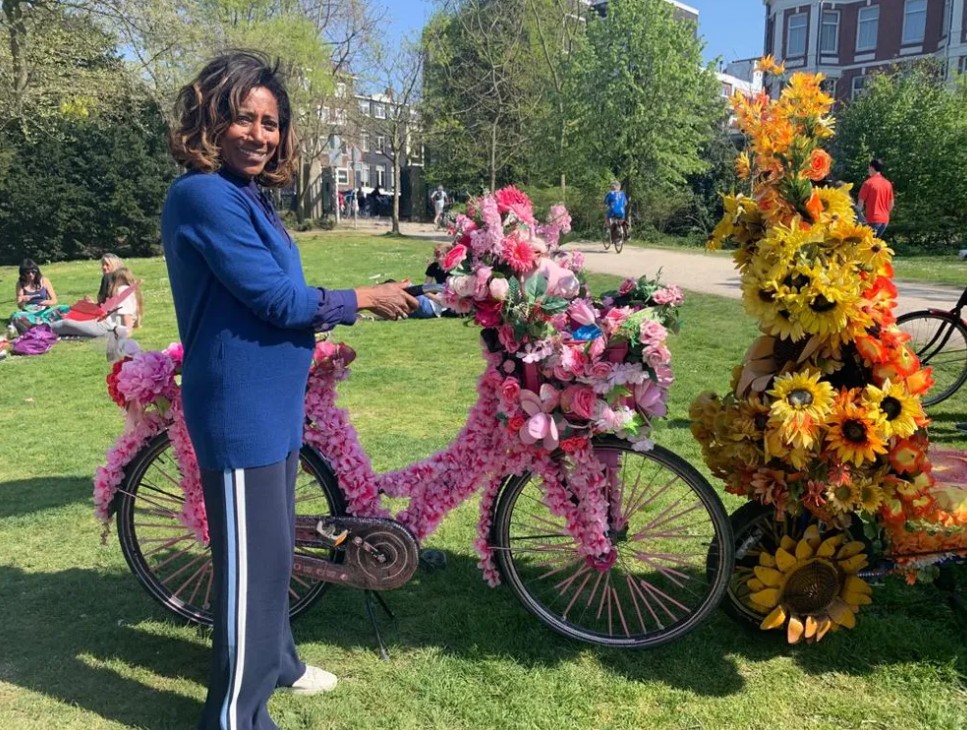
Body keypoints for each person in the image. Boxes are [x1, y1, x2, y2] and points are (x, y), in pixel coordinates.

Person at [161, 50, 417, 730]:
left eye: (270, 122)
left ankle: (279, 662)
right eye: (242, 118)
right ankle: (235, 717)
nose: (259, 134)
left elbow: (274, 301)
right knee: (249, 571)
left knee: (273, 556)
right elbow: (275, 299)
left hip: (271, 407)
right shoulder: (202, 194)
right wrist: (360, 298)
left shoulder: (247, 196)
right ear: (210, 120)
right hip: (236, 411)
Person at [52, 267, 141, 339]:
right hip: (106, 324)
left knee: (67, 324)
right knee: (71, 323)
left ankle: (44, 327)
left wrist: (125, 334)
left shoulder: (123, 291)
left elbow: (127, 318)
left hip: (107, 327)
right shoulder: (131, 292)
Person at [9, 259, 69, 334]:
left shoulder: (44, 280)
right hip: (30, 313)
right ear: (23, 273)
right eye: (27, 273)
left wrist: (45, 302)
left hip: (45, 311)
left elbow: (54, 300)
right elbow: (20, 306)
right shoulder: (21, 283)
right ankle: (44, 323)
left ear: (37, 271)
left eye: (33, 272)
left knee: (65, 307)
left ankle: (40, 323)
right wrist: (24, 300)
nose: (31, 274)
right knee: (16, 315)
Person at [858, 158, 894, 238]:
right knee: (873, 246)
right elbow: (891, 203)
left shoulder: (868, 183)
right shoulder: (888, 184)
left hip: (872, 219)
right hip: (884, 220)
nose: (868, 170)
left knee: (866, 246)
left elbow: (859, 206)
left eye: (868, 168)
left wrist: (859, 220)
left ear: (871, 167)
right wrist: (885, 214)